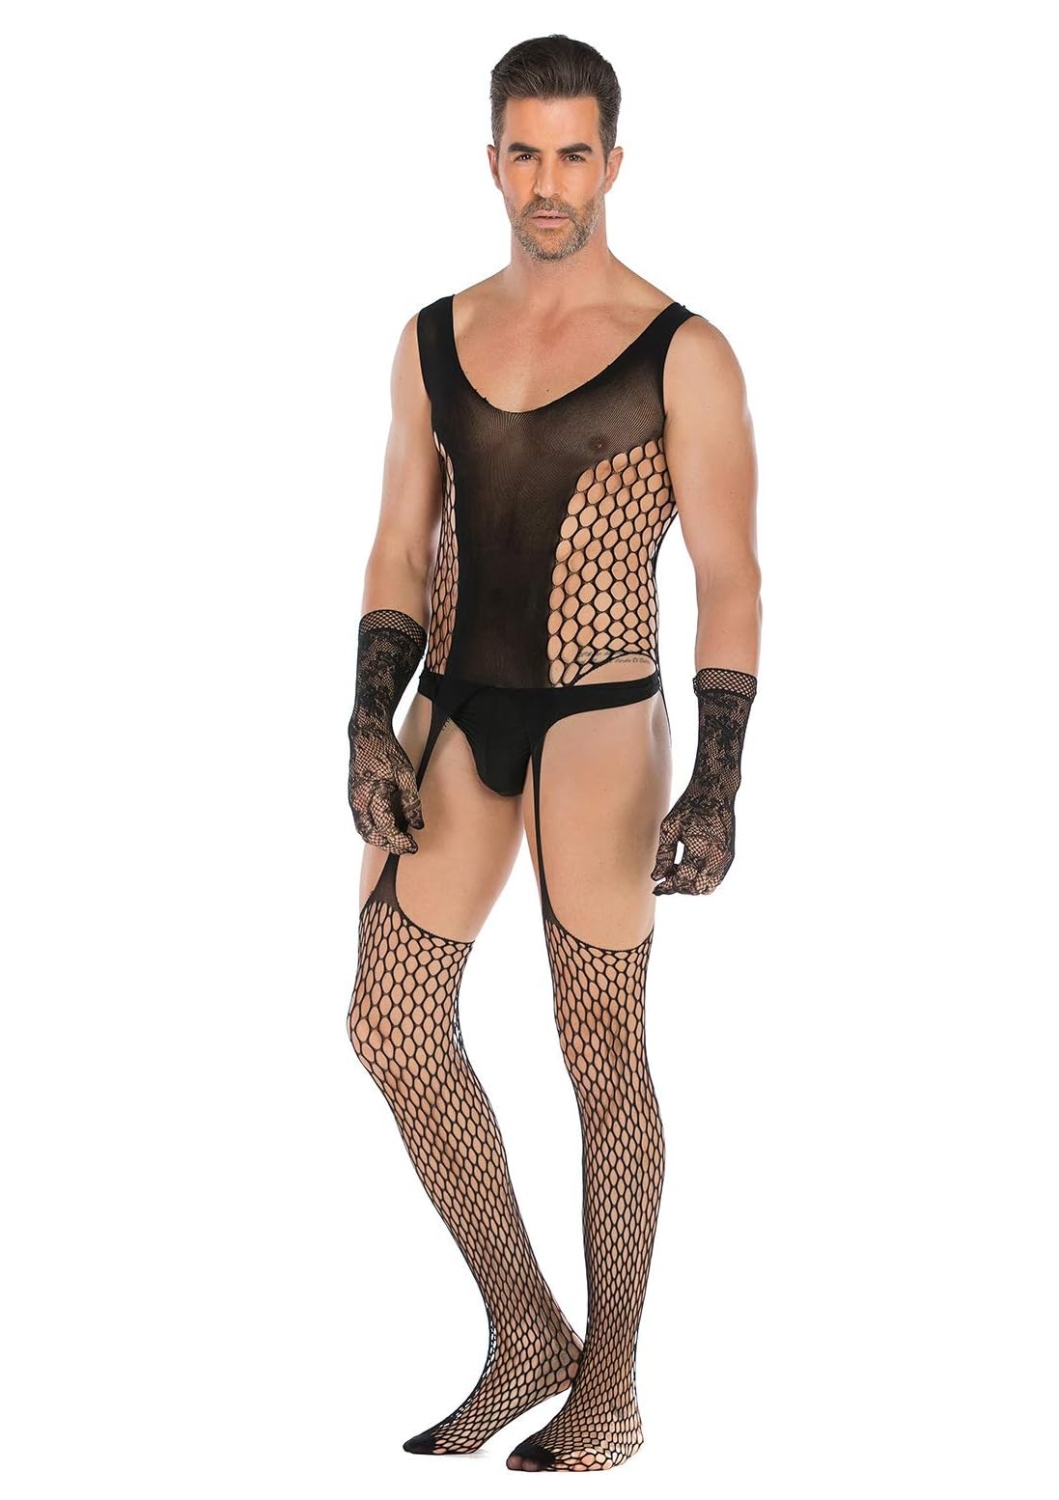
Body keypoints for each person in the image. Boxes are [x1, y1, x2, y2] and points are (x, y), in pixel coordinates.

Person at [346, 32, 761, 1474]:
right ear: (491, 160)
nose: (547, 181)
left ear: (613, 164)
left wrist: (721, 773)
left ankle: (614, 1383)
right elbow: (400, 543)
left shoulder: (682, 350)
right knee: (388, 1024)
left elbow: (731, 575)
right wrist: (365, 716)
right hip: (456, 703)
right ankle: (526, 1329)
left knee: (602, 1051)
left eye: (573, 153)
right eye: (523, 151)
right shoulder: (432, 338)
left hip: (600, 717)